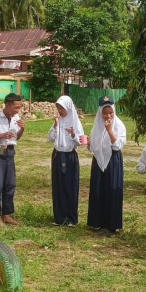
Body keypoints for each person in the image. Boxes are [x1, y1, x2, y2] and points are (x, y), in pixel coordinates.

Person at [87, 96, 126, 237]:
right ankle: (98, 222)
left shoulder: (119, 126)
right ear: (100, 113)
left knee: (111, 190)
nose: (108, 115)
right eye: (105, 112)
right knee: (99, 190)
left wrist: (110, 130)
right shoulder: (96, 126)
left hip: (112, 161)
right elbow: (94, 147)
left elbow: (117, 146)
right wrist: (89, 144)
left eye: (111, 112)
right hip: (98, 162)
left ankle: (112, 225)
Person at [48, 95, 84, 226]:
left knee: (70, 186)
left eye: (62, 108)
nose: (60, 111)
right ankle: (59, 216)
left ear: (68, 107)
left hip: (69, 156)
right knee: (58, 185)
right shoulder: (58, 120)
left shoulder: (74, 121)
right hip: (57, 155)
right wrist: (55, 126)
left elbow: (81, 141)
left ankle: (71, 217)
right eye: (58, 108)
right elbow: (51, 138)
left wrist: (73, 134)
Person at [0, 93, 25, 227]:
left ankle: (7, 214)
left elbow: (17, 138)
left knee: (10, 184)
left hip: (10, 152)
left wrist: (22, 128)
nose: (17, 110)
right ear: (7, 105)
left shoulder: (16, 118)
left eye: (19, 107)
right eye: (15, 107)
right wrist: (2, 135)